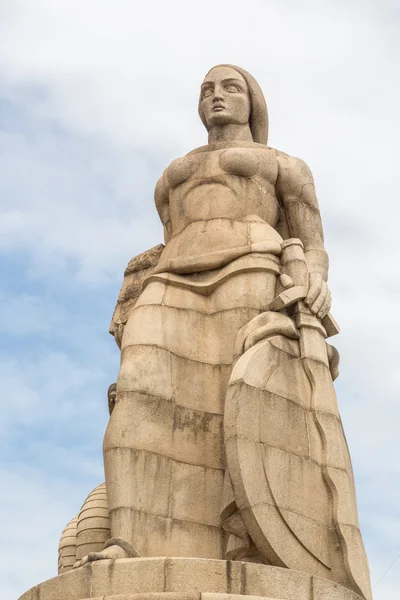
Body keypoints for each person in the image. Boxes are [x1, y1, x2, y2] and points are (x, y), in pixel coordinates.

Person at [74, 64, 370, 600]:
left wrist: (315, 279)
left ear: (251, 100)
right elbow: (170, 235)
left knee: (232, 406)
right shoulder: (173, 174)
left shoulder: (283, 165)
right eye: (206, 89)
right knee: (138, 394)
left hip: (251, 269)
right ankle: (131, 537)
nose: (216, 96)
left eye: (229, 87)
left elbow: (312, 239)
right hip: (173, 278)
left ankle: (252, 540)